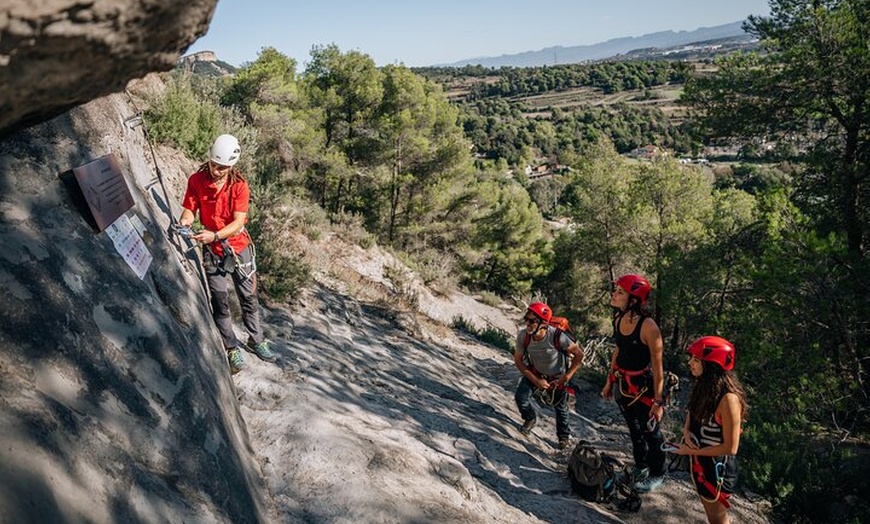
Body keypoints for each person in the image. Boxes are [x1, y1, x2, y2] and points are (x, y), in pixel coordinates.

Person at [178, 134, 276, 374]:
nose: (217, 170)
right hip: (213, 250)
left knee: (248, 297)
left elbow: (238, 222)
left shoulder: (239, 186)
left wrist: (214, 235)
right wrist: (185, 222)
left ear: (231, 166)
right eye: (213, 164)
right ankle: (232, 347)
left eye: (222, 167)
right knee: (220, 300)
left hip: (237, 247)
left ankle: (256, 339)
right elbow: (190, 209)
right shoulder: (197, 180)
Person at [600, 273, 666, 492]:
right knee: (634, 429)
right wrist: (610, 381)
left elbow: (658, 368)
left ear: (634, 300)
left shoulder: (649, 328)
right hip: (623, 385)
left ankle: (657, 473)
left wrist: (659, 402)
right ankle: (641, 466)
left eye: (620, 292)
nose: (614, 294)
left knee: (651, 432)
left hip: (643, 388)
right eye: (616, 290)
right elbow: (618, 349)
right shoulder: (618, 318)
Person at [673, 336, 747, 524]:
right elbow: (693, 410)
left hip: (718, 471)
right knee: (711, 515)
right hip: (702, 464)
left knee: (717, 519)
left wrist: (690, 451)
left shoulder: (729, 400)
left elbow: (731, 448)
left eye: (696, 360)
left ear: (711, 365)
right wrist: (686, 431)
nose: (690, 363)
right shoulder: (704, 385)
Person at [514, 302, 585, 450]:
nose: (527, 323)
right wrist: (535, 380)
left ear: (543, 324)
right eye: (526, 318)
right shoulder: (523, 336)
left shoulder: (557, 336)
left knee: (561, 409)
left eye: (532, 321)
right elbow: (518, 361)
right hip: (535, 373)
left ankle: (563, 437)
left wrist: (567, 376)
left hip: (557, 377)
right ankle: (530, 418)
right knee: (521, 398)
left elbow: (578, 354)